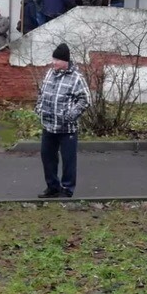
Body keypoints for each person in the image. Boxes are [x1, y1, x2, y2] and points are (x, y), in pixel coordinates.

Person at [36, 43, 91, 198]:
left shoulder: (76, 78)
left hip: (67, 129)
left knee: (68, 160)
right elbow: (41, 92)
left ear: (64, 61)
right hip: (48, 125)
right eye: (53, 59)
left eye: (56, 60)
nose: (53, 62)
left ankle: (67, 189)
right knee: (47, 157)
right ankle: (52, 187)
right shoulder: (50, 74)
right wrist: (39, 108)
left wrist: (70, 115)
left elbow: (85, 100)